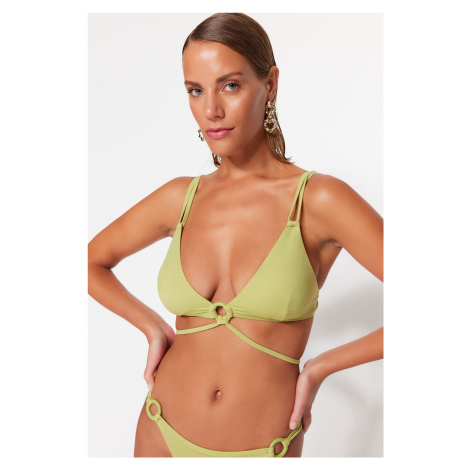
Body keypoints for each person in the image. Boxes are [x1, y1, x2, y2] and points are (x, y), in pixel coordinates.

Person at [88, 12, 383, 458]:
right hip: (160, 431)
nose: (211, 110)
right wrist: (152, 327)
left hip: (263, 448)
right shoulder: (180, 198)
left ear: (270, 84)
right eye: (195, 90)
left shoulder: (318, 200)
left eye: (229, 85)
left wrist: (321, 366)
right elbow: (90, 262)